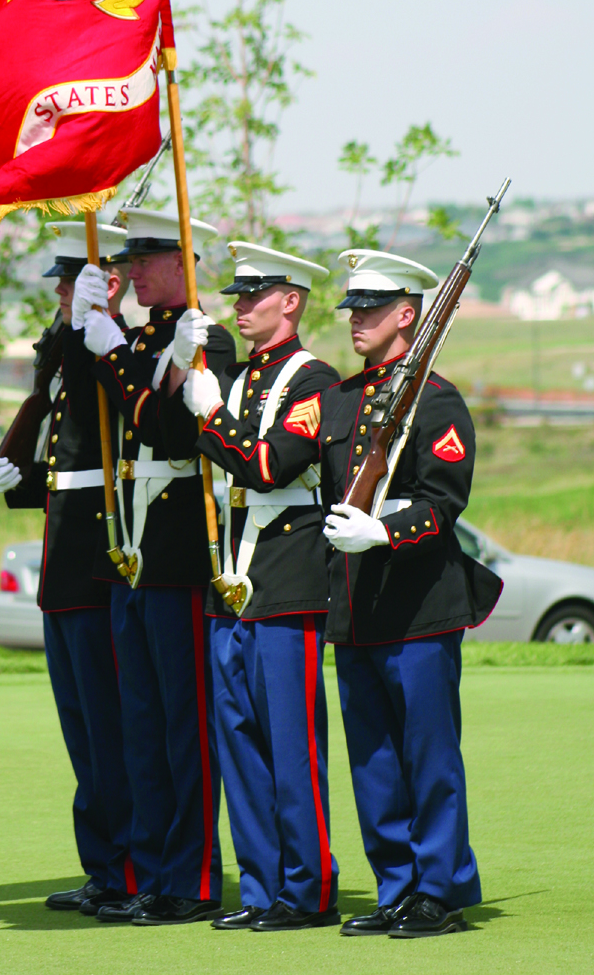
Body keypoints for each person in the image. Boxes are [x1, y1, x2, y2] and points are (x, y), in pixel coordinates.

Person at [320, 249, 503, 938]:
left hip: (418, 610)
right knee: (373, 762)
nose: (355, 320)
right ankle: (397, 886)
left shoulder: (437, 399)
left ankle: (442, 890)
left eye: (369, 309)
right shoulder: (341, 397)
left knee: (427, 757)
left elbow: (443, 499)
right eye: (351, 309)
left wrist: (382, 529)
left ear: (407, 314)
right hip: (357, 609)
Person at [71, 207, 237, 926]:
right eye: (129, 259)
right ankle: (148, 869)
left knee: (183, 730)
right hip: (132, 553)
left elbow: (161, 424)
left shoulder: (209, 339)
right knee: (141, 726)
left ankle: (192, 879)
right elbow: (84, 402)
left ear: (183, 263)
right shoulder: (142, 337)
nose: (130, 271)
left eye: (145, 259)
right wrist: (84, 330)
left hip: (176, 558)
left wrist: (136, 355)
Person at [178, 241, 342, 932]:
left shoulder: (315, 380)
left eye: (255, 296)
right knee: (239, 744)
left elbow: (271, 464)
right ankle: (262, 887)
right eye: (237, 296)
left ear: (291, 301)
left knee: (291, 747)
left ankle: (307, 891)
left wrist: (209, 415)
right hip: (232, 583)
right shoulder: (238, 378)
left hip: (287, 582)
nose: (241, 307)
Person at [0, 218, 135, 916]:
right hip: (65, 566)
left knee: (113, 728)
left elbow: (122, 436)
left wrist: (99, 327)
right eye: (66, 282)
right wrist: (15, 470)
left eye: (77, 279)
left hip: (104, 560)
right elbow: (59, 450)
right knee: (82, 729)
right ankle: (102, 866)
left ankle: (132, 865)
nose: (66, 292)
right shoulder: (68, 349)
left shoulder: (114, 351)